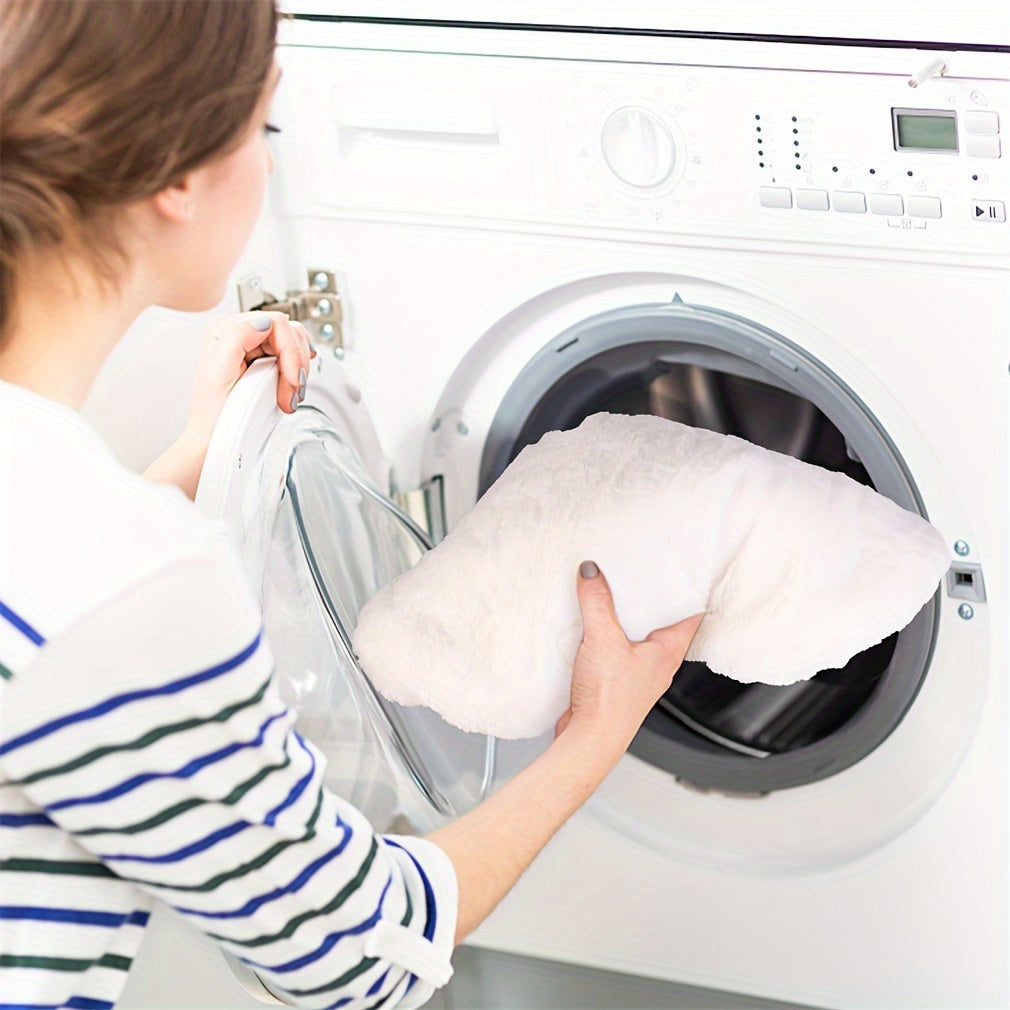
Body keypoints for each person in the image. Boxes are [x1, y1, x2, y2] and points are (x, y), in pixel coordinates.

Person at [0, 3, 704, 1008]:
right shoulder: (131, 585)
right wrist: (598, 727)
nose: (268, 164)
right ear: (176, 182)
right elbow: (356, 957)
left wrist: (199, 457)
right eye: (263, 128)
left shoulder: (75, 546)